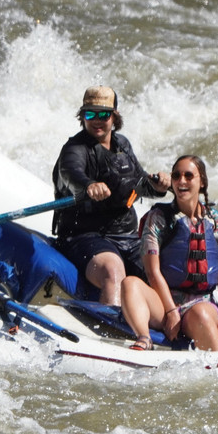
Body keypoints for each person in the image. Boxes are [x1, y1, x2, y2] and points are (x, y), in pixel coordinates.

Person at [52, 86, 169, 305]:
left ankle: (170, 323)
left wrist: (158, 187)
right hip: (84, 236)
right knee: (112, 270)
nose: (97, 120)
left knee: (159, 271)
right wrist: (89, 185)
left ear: (114, 116)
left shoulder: (122, 144)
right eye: (90, 114)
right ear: (82, 116)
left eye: (104, 114)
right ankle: (111, 330)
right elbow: (70, 173)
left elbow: (138, 184)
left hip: (126, 236)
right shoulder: (74, 148)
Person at [120, 154, 218, 351]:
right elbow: (153, 272)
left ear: (201, 182)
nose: (181, 181)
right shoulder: (158, 218)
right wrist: (170, 311)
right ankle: (143, 338)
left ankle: (215, 368)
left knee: (201, 313)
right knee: (129, 284)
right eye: (176, 176)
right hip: (164, 301)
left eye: (188, 176)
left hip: (202, 302)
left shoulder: (217, 223)